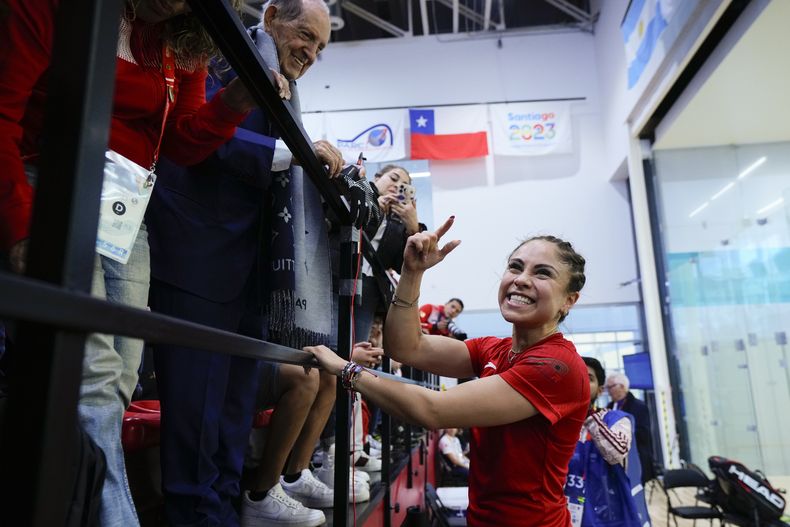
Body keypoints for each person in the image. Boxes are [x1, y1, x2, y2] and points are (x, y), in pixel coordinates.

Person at [0, 1, 256, 525]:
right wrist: (21, 227)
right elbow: (1, 115)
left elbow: (181, 143)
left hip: (123, 210)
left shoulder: (179, 38)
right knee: (90, 377)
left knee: (118, 382)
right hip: (48, 193)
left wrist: (230, 103)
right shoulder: (44, 8)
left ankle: (78, 505)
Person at [144, 1, 344, 525]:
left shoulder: (282, 79)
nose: (310, 53)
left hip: (251, 271)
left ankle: (227, 513)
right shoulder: (219, 51)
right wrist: (292, 153)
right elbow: (197, 134)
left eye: (320, 47)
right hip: (196, 257)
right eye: (304, 36)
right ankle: (194, 516)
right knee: (195, 414)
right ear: (273, 15)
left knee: (232, 413)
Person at [307, 217, 591, 526]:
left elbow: (434, 410)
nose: (521, 279)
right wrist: (412, 272)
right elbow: (407, 347)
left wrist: (346, 370)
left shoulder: (556, 366)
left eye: (542, 273)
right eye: (515, 267)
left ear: (569, 300)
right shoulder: (494, 348)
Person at [565, 357, 651, 527]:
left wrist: (589, 415)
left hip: (608, 517)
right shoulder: (558, 425)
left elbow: (615, 453)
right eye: (576, 377)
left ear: (600, 390)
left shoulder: (616, 419)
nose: (581, 381)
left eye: (588, 378)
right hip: (567, 514)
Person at [606, 372, 657, 484]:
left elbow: (643, 433)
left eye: (611, 387)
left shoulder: (639, 406)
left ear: (623, 387)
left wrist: (620, 433)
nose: (608, 391)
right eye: (607, 387)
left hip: (635, 457)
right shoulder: (608, 407)